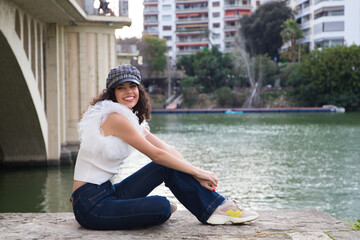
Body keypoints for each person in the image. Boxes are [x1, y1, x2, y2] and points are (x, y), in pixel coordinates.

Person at [70, 64, 259, 230]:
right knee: (161, 206)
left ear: (139, 90)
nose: (129, 92)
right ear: (113, 94)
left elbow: (167, 150)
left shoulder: (129, 119)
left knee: (167, 168)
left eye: (132, 86)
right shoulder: (115, 118)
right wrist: (200, 172)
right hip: (90, 205)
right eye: (121, 88)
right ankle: (211, 208)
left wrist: (196, 174)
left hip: (107, 192)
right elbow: (156, 155)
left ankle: (216, 208)